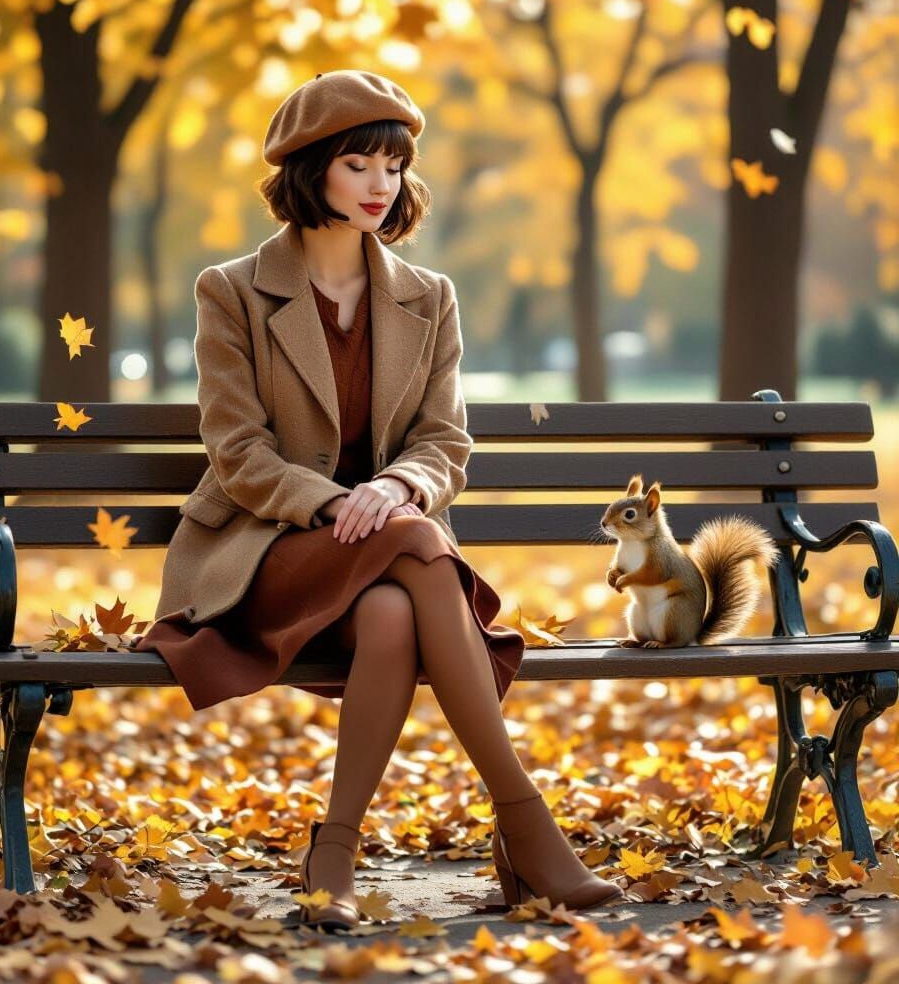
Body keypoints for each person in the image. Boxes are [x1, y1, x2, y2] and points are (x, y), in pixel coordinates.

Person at [133, 69, 622, 930]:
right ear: (310, 168)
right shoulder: (231, 290)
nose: (380, 185)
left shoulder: (430, 297)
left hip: (389, 556)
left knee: (395, 610)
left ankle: (333, 856)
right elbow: (238, 452)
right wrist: (335, 504)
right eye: (358, 164)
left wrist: (396, 487)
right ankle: (525, 826)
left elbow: (445, 441)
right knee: (421, 546)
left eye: (393, 167)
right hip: (268, 554)